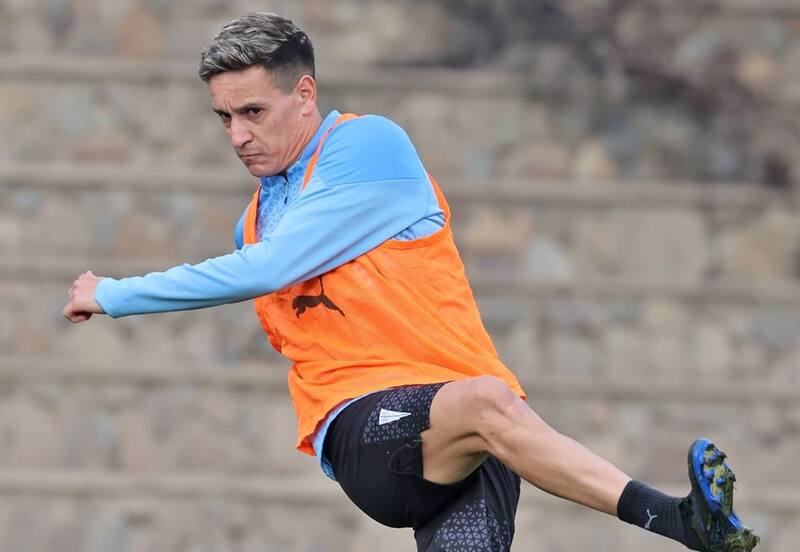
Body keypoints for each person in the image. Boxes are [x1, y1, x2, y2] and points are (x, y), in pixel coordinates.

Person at [62, 12, 760, 552]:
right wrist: (115, 295)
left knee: (491, 404)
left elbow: (273, 268)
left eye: (253, 112)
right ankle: (678, 520)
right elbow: (273, 270)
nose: (237, 135)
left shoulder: (367, 149)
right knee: (490, 402)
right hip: (370, 431)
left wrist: (113, 292)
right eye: (224, 118)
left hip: (474, 436)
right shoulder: (256, 221)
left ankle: (686, 523)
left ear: (304, 95)